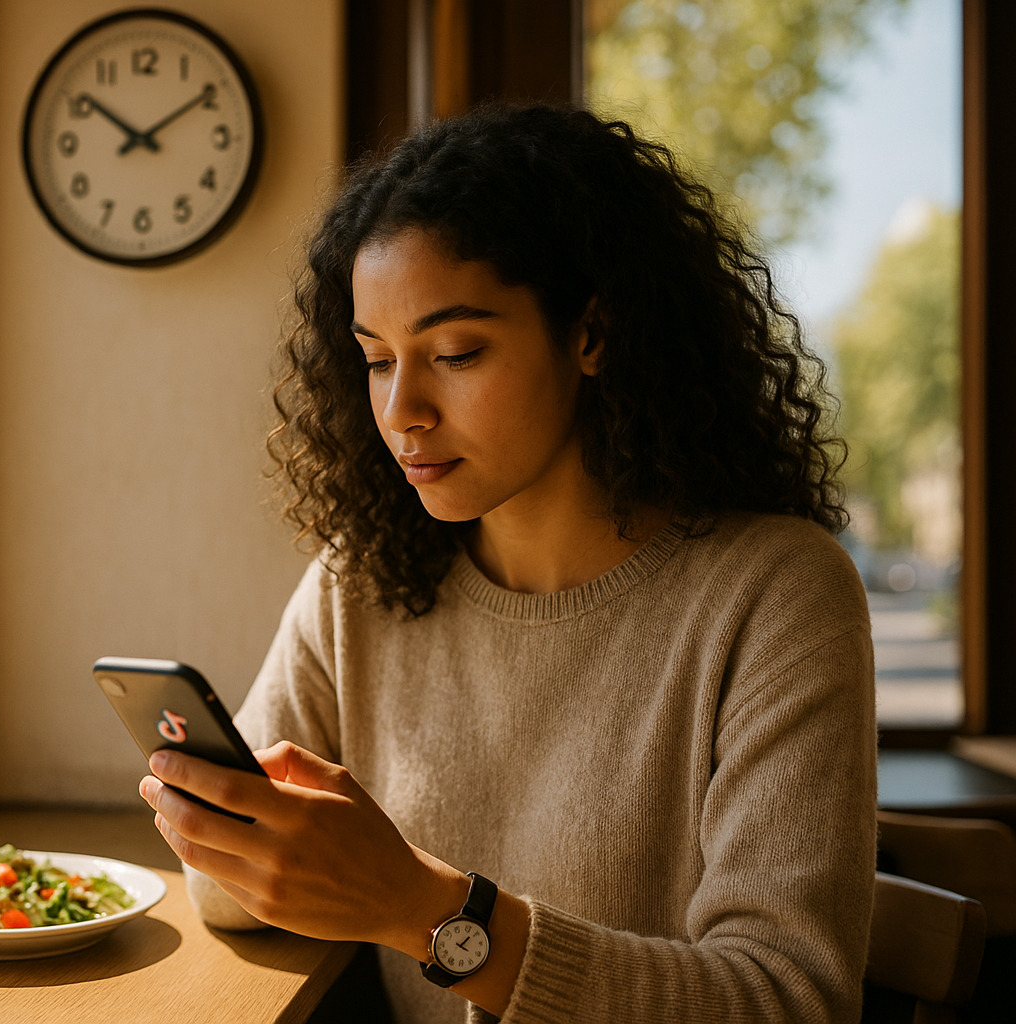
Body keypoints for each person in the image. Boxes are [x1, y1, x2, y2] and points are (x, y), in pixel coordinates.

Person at [137, 103, 876, 1024]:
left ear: (591, 334)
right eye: (375, 360)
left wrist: (425, 910)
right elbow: (221, 892)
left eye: (456, 352)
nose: (403, 409)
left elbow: (789, 1001)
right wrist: (229, 837)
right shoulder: (361, 579)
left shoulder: (774, 594)